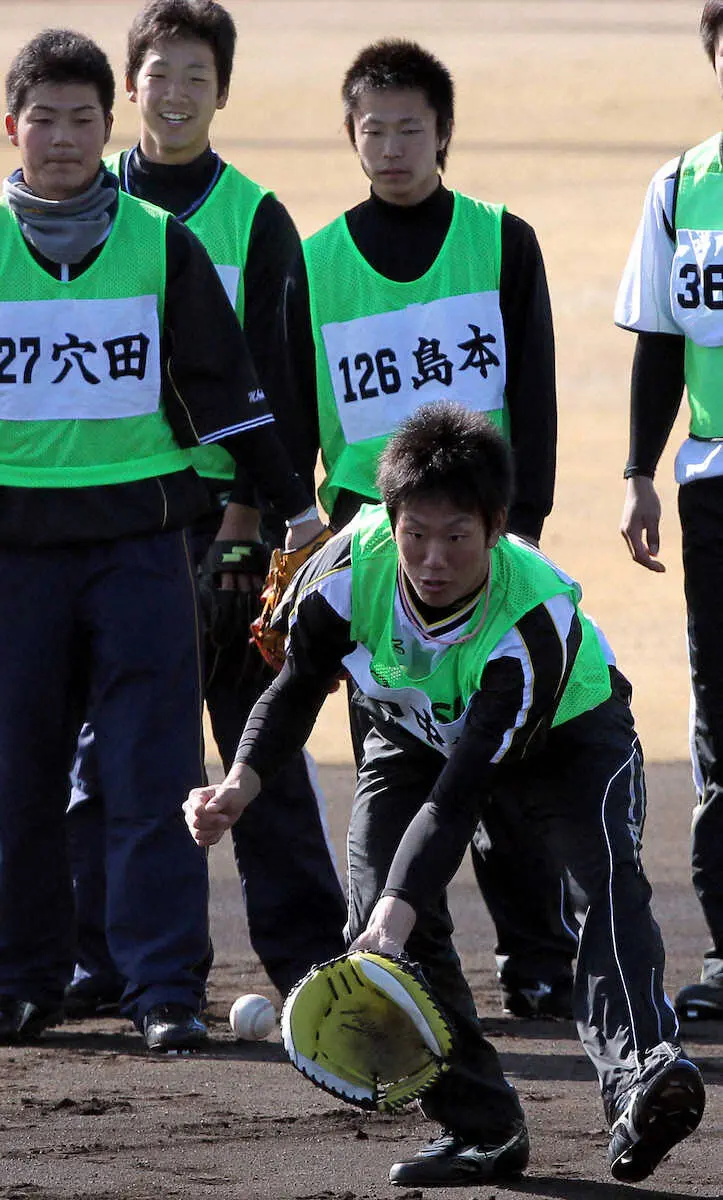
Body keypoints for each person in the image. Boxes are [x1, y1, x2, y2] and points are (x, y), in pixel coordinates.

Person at [185, 402, 705, 1188]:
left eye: (455, 537)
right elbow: (294, 691)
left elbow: (462, 793)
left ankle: (642, 1078)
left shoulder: (530, 623)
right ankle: (481, 1127)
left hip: (562, 737)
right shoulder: (343, 574)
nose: (431, 559)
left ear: (495, 530)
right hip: (412, 730)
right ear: (388, 522)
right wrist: (236, 784)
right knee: (377, 919)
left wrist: (396, 913)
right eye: (414, 536)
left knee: (601, 885)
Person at [0, 27, 324, 1053]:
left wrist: (297, 509)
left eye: (80, 120)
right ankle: (22, 979)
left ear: (110, 129)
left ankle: (161, 991)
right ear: (12, 126)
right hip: (15, 557)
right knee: (17, 773)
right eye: (41, 118)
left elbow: (225, 393)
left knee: (152, 773)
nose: (59, 138)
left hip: (142, 548)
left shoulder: (158, 240)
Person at [279, 38, 577, 1017]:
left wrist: (519, 532)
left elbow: (532, 391)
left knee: (508, 771)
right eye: (375, 129)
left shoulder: (502, 239)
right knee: (396, 767)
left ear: (443, 132)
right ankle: (411, 960)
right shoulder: (314, 262)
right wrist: (303, 537)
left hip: (486, 547)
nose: (393, 146)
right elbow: (290, 411)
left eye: (412, 127)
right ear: (352, 138)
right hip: (378, 559)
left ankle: (539, 957)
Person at [616, 0, 723, 1022]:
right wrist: (639, 472)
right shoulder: (681, 185)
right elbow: (657, 336)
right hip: (715, 480)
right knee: (722, 715)